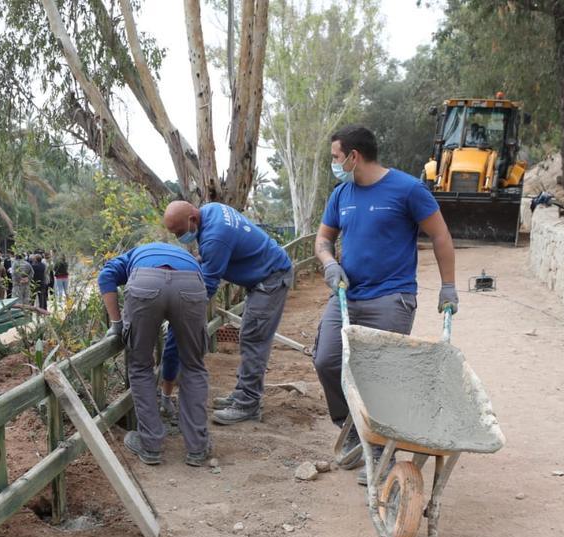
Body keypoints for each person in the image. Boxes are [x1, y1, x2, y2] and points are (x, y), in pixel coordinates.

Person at [311, 124, 458, 485]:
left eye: (335, 157)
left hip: (392, 297)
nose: (334, 163)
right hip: (348, 294)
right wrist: (329, 263)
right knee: (327, 359)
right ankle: (352, 427)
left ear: (353, 156)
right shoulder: (341, 194)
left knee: (380, 375)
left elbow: (440, 235)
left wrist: (448, 286)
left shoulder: (408, 189)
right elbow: (322, 239)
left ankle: (379, 451)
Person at [162, 200, 294, 425]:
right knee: (249, 336)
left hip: (270, 279)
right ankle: (243, 393)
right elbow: (218, 252)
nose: (178, 238)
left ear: (193, 219)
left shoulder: (215, 237)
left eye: (180, 232)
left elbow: (208, 287)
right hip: (265, 272)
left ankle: (248, 403)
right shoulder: (211, 209)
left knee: (254, 338)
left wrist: (179, 312)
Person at [99, 243, 210, 466]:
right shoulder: (186, 256)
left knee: (140, 366)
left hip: (145, 283)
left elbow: (106, 276)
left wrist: (117, 323)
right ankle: (197, 448)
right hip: (191, 282)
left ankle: (150, 445)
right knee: (194, 366)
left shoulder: (132, 256)